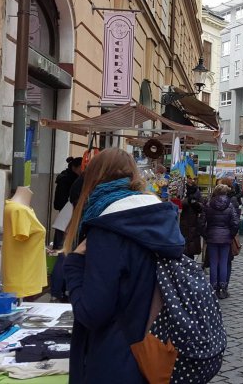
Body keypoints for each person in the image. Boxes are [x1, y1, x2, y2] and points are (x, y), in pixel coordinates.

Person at [63, 148, 185, 383]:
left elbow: (91, 313)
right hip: (153, 353)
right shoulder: (159, 218)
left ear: (93, 179)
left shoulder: (109, 227)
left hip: (114, 360)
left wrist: (74, 265)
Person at [204, 184, 240, 299]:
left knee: (213, 263)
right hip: (225, 237)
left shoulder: (209, 204)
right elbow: (235, 223)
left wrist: (206, 235)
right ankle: (223, 289)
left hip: (212, 236)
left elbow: (201, 222)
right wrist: (231, 234)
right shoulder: (229, 205)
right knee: (223, 262)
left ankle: (213, 287)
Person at [52, 156, 83, 249]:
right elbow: (62, 198)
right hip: (68, 210)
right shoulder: (71, 180)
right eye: (81, 167)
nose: (83, 170)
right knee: (64, 234)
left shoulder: (68, 177)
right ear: (74, 167)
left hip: (67, 210)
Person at [180, 176, 205, 259]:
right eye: (189, 178)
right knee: (183, 247)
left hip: (193, 223)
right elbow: (178, 204)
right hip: (182, 222)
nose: (191, 180)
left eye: (192, 178)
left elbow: (202, 206)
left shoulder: (196, 191)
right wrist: (188, 201)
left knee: (191, 249)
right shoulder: (181, 190)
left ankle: (190, 264)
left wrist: (196, 204)